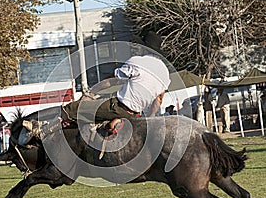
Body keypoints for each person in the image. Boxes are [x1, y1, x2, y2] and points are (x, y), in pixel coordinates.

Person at [28, 55, 171, 138]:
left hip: (118, 107)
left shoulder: (138, 63)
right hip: (136, 115)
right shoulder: (164, 77)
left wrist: (92, 92)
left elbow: (111, 81)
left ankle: (42, 131)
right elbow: (158, 101)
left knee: (73, 108)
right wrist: (149, 119)